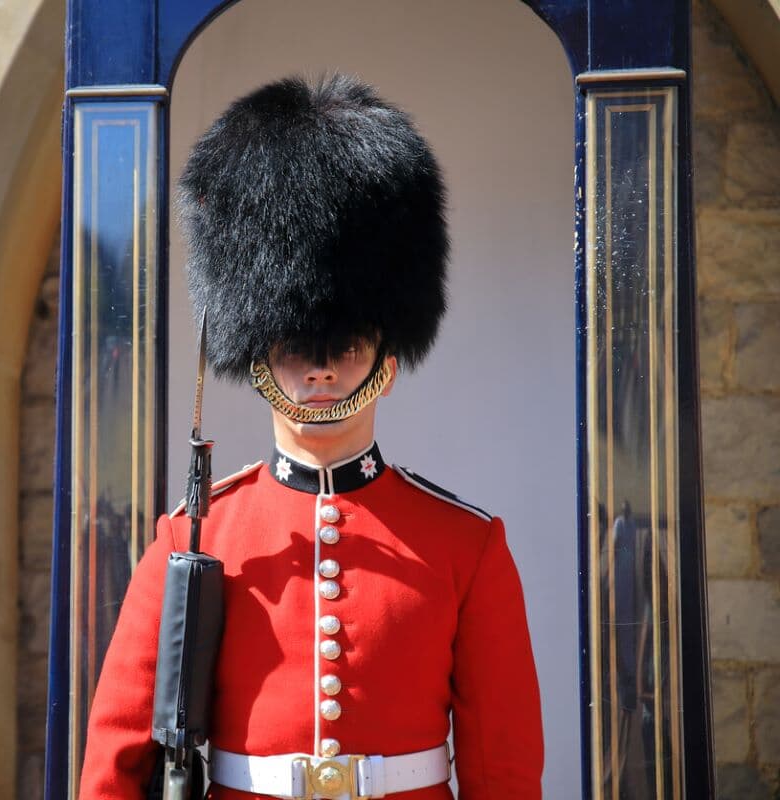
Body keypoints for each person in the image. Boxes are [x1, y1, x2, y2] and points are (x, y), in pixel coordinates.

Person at [78, 74, 543, 799]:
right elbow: (118, 759)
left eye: (346, 347)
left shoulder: (465, 545)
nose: (321, 371)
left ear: (386, 368)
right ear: (257, 358)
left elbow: (503, 770)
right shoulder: (194, 537)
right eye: (296, 347)